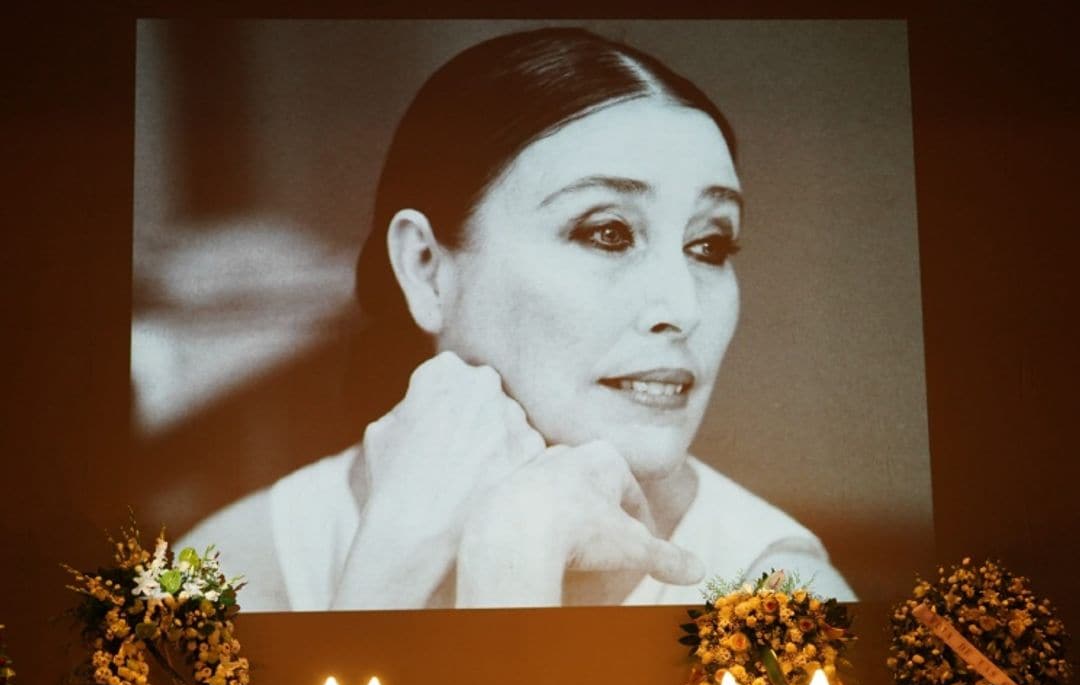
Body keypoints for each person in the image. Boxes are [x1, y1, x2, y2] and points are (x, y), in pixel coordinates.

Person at [180, 27, 854, 610]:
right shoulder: (219, 579)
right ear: (424, 267)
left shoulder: (782, 597)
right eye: (608, 232)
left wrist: (513, 547)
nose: (681, 309)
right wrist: (393, 559)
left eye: (709, 246)